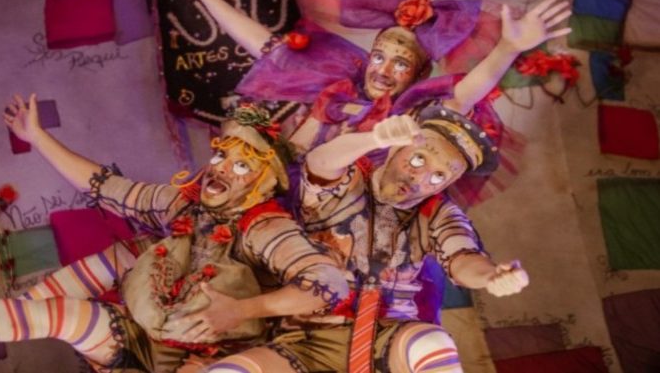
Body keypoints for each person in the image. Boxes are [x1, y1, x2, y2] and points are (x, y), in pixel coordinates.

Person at [0, 96, 348, 373]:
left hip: (221, 357)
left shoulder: (266, 227)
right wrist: (37, 137)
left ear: (265, 183)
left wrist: (241, 310)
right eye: (221, 155)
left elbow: (329, 285)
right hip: (144, 339)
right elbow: (105, 187)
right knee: (72, 312)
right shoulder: (182, 202)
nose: (221, 168)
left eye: (242, 165)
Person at [202, 108, 528, 373]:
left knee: (432, 344)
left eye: (440, 176)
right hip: (305, 338)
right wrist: (375, 137)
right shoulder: (347, 180)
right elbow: (320, 163)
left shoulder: (438, 212)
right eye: (418, 159)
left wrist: (491, 276)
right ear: (397, 148)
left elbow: (462, 257)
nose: (421, 177)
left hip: (389, 336)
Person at [179, 0, 571, 155]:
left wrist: (508, 47)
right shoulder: (337, 79)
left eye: (400, 64)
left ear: (418, 76)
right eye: (380, 57)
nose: (382, 70)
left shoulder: (416, 110)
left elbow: (466, 94)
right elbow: (262, 43)